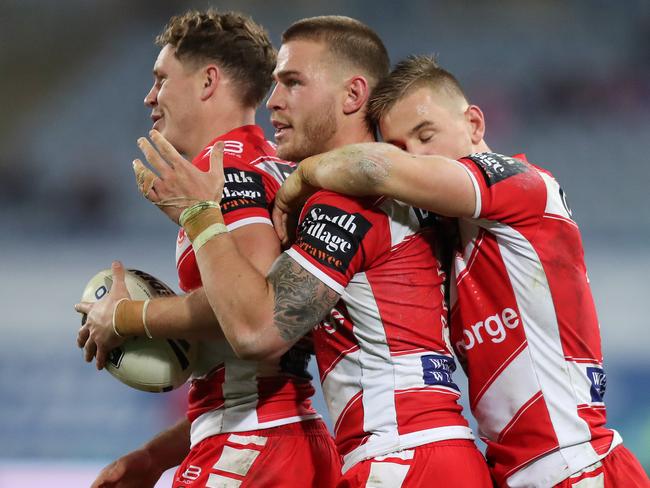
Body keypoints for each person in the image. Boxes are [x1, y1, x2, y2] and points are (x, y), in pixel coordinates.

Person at [133, 16, 492, 488]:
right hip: (426, 452)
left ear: (352, 95)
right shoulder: (383, 190)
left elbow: (257, 331)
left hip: (402, 458)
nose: (274, 101)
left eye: (293, 83)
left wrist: (197, 220)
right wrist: (155, 455)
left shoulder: (346, 202)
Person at [271, 55, 650, 488]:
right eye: (399, 146)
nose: (415, 156)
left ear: (474, 124)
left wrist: (300, 178)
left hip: (580, 466)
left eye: (425, 134)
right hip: (520, 474)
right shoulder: (445, 242)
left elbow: (375, 168)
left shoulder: (522, 186)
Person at [74, 10, 340, 488]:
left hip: (249, 444)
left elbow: (256, 308)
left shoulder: (228, 174)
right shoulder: (266, 165)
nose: (149, 96)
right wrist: (155, 457)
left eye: (160, 79)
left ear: (207, 81)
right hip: (276, 431)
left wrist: (125, 317)